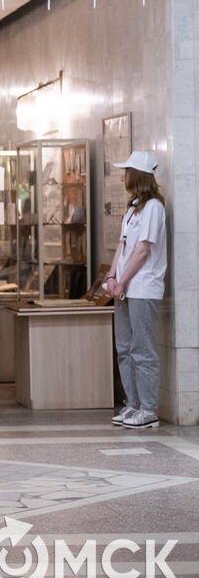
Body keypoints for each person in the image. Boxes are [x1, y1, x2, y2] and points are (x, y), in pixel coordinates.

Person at [106, 151, 167, 429]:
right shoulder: (132, 208)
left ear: (137, 175)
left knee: (143, 349)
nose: (123, 176)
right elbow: (122, 246)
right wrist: (111, 276)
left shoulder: (154, 207)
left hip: (143, 287)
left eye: (127, 171)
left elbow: (143, 250)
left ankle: (148, 409)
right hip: (124, 287)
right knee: (124, 348)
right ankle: (133, 404)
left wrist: (123, 281)